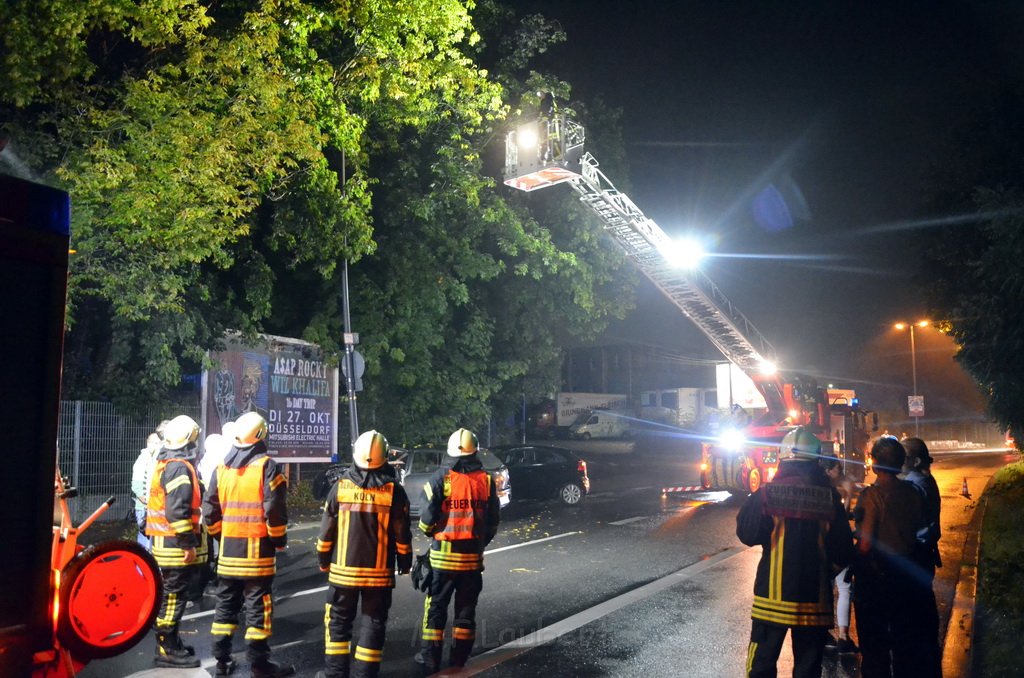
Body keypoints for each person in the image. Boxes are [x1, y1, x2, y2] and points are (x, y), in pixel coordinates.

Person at [736, 427, 855, 678]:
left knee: (760, 666)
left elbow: (746, 533)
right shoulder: (830, 498)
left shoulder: (767, 494)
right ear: (816, 460)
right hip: (814, 600)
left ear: (783, 458)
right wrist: (826, 572)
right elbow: (843, 550)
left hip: (770, 600)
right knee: (808, 669)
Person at [203, 411, 294, 678]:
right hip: (257, 555)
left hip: (228, 554)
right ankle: (260, 666)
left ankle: (221, 662)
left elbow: (210, 510)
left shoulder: (221, 468)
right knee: (258, 609)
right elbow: (275, 509)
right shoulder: (267, 466)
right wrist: (278, 540)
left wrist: (222, 536)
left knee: (225, 606)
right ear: (261, 435)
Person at [316, 430, 412, 678]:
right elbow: (402, 534)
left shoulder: (340, 488)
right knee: (373, 624)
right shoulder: (394, 491)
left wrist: (324, 561)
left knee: (338, 625)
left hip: (342, 574)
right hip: (378, 576)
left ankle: (336, 675)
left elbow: (326, 533)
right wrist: (404, 563)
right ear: (385, 457)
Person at [415, 428, 501, 673]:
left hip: (443, 559)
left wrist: (432, 533)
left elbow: (425, 521)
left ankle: (430, 659)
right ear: (475, 451)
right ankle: (459, 659)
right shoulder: (486, 480)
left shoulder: (441, 479)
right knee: (466, 611)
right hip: (472, 561)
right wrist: (478, 544)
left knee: (436, 610)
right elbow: (493, 521)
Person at [852, 436, 938, 677]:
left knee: (875, 651)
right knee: (905, 650)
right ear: (900, 464)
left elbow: (866, 544)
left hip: (876, 583)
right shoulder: (913, 493)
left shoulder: (872, 496)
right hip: (907, 580)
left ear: (875, 463)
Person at [145, 414, 208, 668]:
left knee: (172, 596)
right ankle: (167, 648)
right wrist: (188, 543)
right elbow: (177, 510)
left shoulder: (165, 463)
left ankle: (171, 643)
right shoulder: (179, 467)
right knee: (173, 598)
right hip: (174, 546)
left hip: (165, 544)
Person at [900, 437, 943, 675]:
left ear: (915, 461)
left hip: (915, 555)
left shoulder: (916, 484)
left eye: (903, 456)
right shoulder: (924, 481)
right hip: (923, 555)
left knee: (915, 611)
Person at [821, 450, 859, 655]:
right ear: (829, 471)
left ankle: (825, 633)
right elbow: (842, 515)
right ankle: (843, 636)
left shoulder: (819, 489)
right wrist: (849, 494)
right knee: (844, 588)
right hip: (839, 544)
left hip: (824, 545)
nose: (841, 470)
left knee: (827, 589)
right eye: (837, 468)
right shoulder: (836, 491)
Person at [131, 430, 162, 549]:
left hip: (152, 506)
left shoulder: (155, 459)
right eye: (154, 443)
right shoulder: (143, 459)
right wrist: (145, 500)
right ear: (148, 443)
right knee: (145, 537)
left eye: (158, 443)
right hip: (144, 507)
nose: (157, 445)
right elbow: (136, 484)